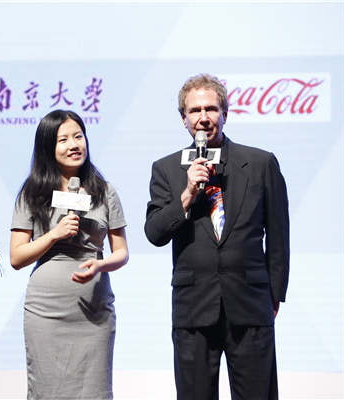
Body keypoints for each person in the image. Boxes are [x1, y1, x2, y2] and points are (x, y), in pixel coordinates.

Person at [144, 74, 289, 400]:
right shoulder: (167, 169)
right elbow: (154, 232)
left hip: (250, 302)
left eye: (211, 108)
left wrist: (274, 293)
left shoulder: (260, 163)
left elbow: (279, 235)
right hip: (193, 306)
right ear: (184, 119)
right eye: (194, 111)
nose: (203, 117)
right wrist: (186, 194)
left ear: (225, 112)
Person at [10, 109, 129, 400]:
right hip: (46, 310)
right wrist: (53, 234)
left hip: (93, 308)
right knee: (48, 390)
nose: (74, 144)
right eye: (63, 139)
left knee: (95, 391)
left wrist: (100, 264)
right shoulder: (33, 192)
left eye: (78, 136)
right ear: (48, 148)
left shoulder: (105, 191)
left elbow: (122, 253)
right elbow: (16, 257)